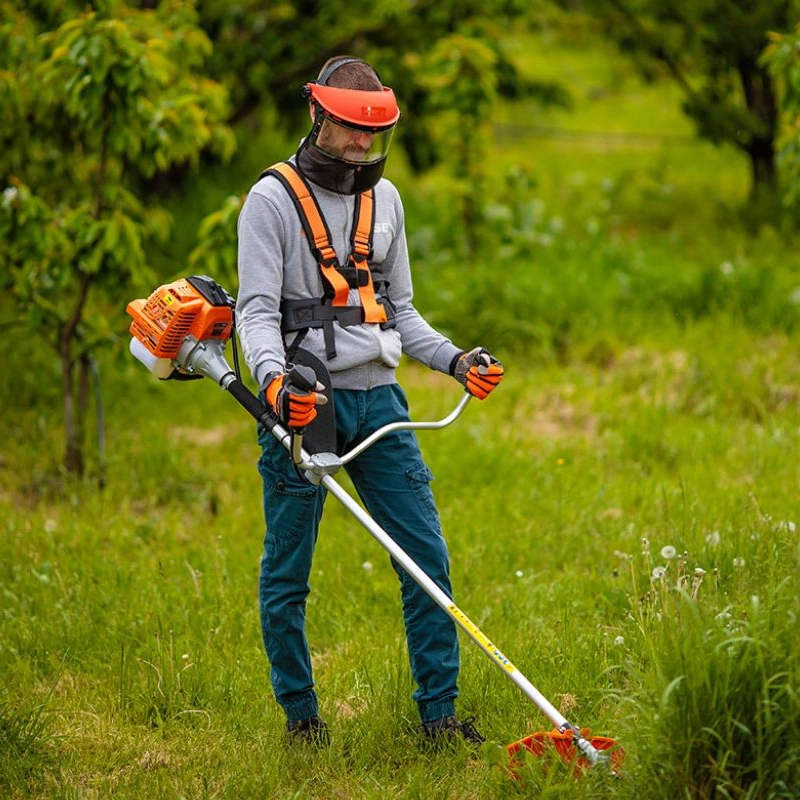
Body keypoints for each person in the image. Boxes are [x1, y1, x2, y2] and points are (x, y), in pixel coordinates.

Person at [235, 55, 504, 746]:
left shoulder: (386, 201)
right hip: (304, 403)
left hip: (380, 401)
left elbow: (401, 312)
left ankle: (439, 718)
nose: (362, 145)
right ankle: (302, 719)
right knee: (289, 571)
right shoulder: (269, 201)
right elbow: (257, 314)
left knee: (426, 559)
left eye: (373, 132)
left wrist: (456, 360)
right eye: (352, 130)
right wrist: (272, 384)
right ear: (318, 116)